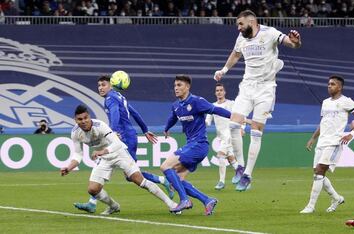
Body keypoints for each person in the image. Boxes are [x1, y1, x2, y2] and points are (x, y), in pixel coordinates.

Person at [213, 10, 302, 191]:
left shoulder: (270, 33)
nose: (238, 28)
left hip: (266, 89)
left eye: (241, 24)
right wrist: (223, 70)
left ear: (252, 22)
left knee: (256, 131)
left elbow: (292, 44)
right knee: (233, 124)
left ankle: (247, 175)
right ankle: (239, 167)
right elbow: (235, 54)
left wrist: (296, 40)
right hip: (247, 87)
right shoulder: (241, 38)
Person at [73, 75, 173, 213]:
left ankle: (163, 182)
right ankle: (93, 201)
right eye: (99, 85)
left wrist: (113, 131)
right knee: (129, 174)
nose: (100, 88)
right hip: (128, 135)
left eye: (103, 85)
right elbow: (134, 113)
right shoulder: (119, 96)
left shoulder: (110, 99)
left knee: (130, 174)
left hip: (123, 137)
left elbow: (115, 114)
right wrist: (144, 129)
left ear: (111, 85)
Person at [61, 105, 177, 215]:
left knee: (139, 181)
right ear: (75, 120)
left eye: (86, 118)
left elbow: (117, 143)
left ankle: (172, 204)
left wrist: (102, 151)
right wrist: (69, 167)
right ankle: (113, 206)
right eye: (80, 119)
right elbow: (78, 154)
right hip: (104, 158)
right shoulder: (75, 133)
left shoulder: (99, 125)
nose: (83, 121)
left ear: (89, 117)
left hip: (118, 153)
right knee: (93, 189)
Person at [160, 74, 232, 215]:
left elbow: (216, 110)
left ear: (187, 87)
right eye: (175, 85)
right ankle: (207, 200)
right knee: (176, 179)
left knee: (165, 166)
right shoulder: (176, 105)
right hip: (192, 145)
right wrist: (166, 128)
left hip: (199, 145)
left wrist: (236, 117)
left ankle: (184, 200)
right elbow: (173, 118)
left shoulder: (197, 101)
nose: (176, 88)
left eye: (179, 85)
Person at [300, 75, 354, 214]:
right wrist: (313, 138)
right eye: (328, 84)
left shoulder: (347, 102)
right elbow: (323, 122)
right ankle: (337, 198)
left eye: (332, 84)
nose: (329, 86)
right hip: (322, 141)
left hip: (334, 142)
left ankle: (311, 206)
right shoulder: (325, 102)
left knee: (320, 171)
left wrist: (351, 133)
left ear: (340, 87)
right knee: (317, 174)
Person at [205, 83, 247, 190]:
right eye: (217, 90)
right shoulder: (212, 106)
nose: (219, 92)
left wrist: (242, 127)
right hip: (221, 136)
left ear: (224, 92)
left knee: (220, 155)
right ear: (215, 93)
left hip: (231, 133)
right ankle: (244, 178)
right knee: (230, 158)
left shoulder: (231, 104)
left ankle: (221, 182)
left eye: (221, 90)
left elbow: (241, 115)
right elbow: (207, 122)